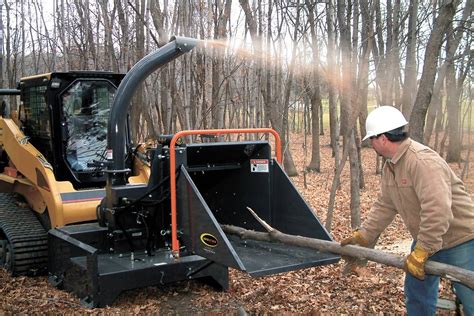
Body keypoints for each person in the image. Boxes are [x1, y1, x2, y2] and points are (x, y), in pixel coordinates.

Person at [340, 105, 474, 315]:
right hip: (427, 241)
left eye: (372, 139)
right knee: (417, 294)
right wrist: (364, 236)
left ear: (383, 138)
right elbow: (385, 204)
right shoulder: (391, 166)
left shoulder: (422, 161)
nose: (372, 145)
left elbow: (438, 209)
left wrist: (423, 249)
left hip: (460, 240)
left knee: (471, 298)